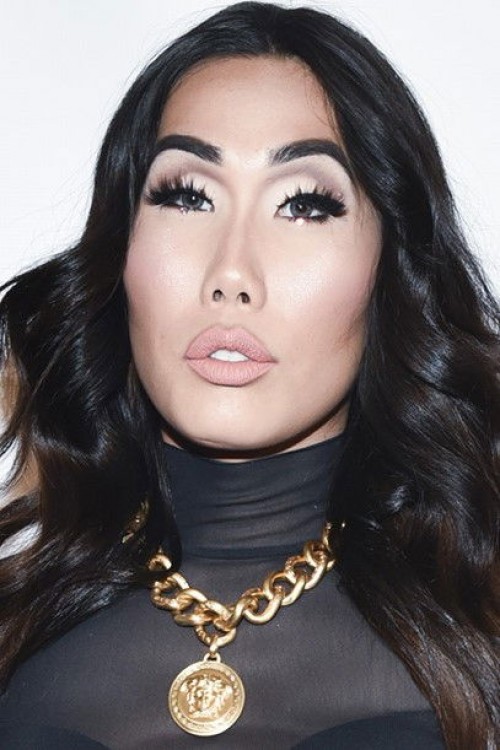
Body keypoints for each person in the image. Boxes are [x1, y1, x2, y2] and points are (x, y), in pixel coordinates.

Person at [0, 2, 498, 748]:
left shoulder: (478, 629)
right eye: (186, 196)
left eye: (304, 206)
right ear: (121, 249)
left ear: (390, 273)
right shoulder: (18, 630)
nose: (231, 273)